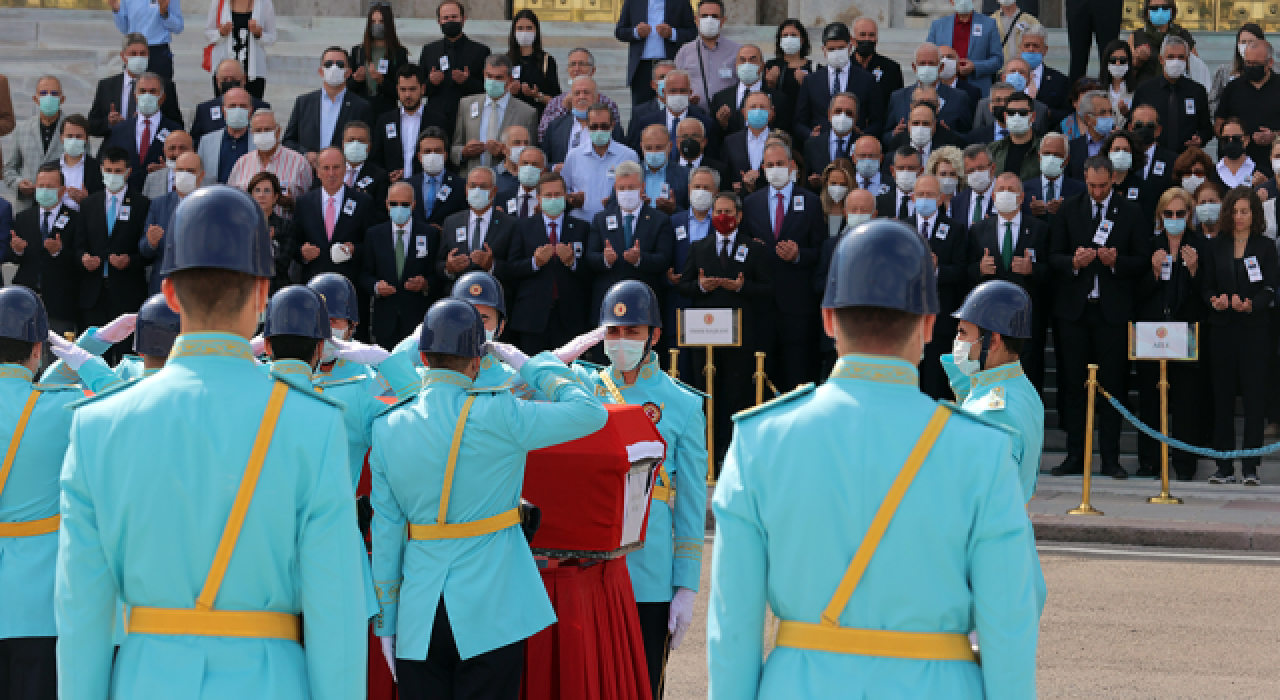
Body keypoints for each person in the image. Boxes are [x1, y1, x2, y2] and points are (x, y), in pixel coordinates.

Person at [56, 186, 370, 699]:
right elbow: (335, 611)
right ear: (264, 294)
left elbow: (81, 617)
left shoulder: (97, 425)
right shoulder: (312, 424)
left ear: (172, 293)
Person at [708, 218, 1039, 699]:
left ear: (827, 319)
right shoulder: (981, 448)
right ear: (928, 326)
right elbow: (1010, 624)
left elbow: (733, 630)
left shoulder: (760, 439)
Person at [370, 298, 606, 699]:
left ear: (423, 356)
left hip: (418, 613)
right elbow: (590, 412)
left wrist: (389, 623)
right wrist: (531, 364)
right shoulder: (502, 415)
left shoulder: (388, 426)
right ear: (477, 363)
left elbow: (387, 532)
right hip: (491, 608)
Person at [566, 281, 708, 698]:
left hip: (649, 573)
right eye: (613, 332)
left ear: (654, 336)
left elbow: (691, 502)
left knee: (644, 686)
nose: (622, 341)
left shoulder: (682, 404)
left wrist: (685, 585)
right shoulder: (580, 389)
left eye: (632, 332)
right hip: (587, 567)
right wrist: (567, 355)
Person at [0, 288, 85, 700]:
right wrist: (89, 351)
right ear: (39, 349)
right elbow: (119, 397)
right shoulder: (59, 408)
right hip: (38, 607)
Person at [1048, 155, 1149, 479]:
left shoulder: (1130, 212)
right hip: (1075, 313)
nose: (1097, 191)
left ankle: (1110, 458)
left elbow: (1142, 261)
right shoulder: (1068, 209)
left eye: (1103, 186)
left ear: (1113, 181)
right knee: (1074, 387)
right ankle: (1075, 455)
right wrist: (1073, 263)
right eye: (1092, 185)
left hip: (1113, 314)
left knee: (1113, 388)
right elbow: (1053, 257)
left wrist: (1117, 261)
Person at [1201, 187, 1278, 485]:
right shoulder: (1216, 246)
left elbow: (1270, 287)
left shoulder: (1265, 246)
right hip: (1222, 331)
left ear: (1254, 214)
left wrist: (1251, 305)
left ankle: (1250, 468)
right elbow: (1205, 287)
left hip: (1255, 331)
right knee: (1222, 398)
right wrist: (1216, 301)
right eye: (1234, 211)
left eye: (1245, 211)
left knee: (1254, 399)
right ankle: (1223, 466)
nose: (1239, 217)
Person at [942, 280, 1044, 500]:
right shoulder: (1021, 387)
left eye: (963, 332)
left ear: (993, 341)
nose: (957, 341)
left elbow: (979, 501)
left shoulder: (993, 413)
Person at [1133, 187, 1206, 481]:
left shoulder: (1199, 246)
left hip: (1186, 333)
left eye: (1180, 213)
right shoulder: (1148, 245)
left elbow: (1206, 294)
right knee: (1151, 400)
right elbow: (1135, 295)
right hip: (1152, 333)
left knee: (1187, 402)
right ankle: (1151, 461)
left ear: (1188, 215)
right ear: (1161, 216)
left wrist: (1195, 270)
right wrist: (1152, 272)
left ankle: (1185, 465)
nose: (1174, 219)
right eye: (1169, 214)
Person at [741, 142, 822, 390]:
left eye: (780, 164)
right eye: (770, 165)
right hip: (762, 307)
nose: (775, 169)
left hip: (797, 307)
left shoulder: (810, 201)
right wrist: (752, 251)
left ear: (792, 166)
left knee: (797, 375)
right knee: (762, 378)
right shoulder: (751, 203)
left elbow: (819, 251)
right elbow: (742, 250)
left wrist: (798, 255)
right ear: (763, 168)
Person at [967, 173, 1050, 390]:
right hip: (989, 318)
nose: (1005, 193)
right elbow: (965, 271)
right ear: (993, 196)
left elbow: (1053, 272)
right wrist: (979, 269)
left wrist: (1033, 269)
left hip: (1026, 318)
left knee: (1028, 375)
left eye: (1011, 189)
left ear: (1021, 197)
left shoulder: (1040, 229)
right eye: (1001, 189)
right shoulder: (978, 230)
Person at [505, 172, 592, 354]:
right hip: (532, 317)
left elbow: (591, 270)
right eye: (548, 195)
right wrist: (534, 262)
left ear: (566, 196)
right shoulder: (522, 227)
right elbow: (510, 269)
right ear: (539, 198)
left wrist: (572, 263)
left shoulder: (581, 228)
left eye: (557, 195)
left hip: (569, 317)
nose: (553, 199)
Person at [78, 146, 150, 357]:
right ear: (101, 170)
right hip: (94, 293)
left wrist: (129, 261)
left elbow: (146, 251)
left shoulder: (141, 204)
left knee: (124, 355)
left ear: (128, 172)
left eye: (118, 171)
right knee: (93, 355)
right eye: (109, 170)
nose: (113, 175)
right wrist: (84, 258)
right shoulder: (89, 204)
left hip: (126, 293)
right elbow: (79, 245)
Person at [585, 160, 675, 319]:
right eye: (622, 188)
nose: (626, 192)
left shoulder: (659, 220)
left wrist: (640, 259)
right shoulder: (600, 219)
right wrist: (604, 260)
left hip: (644, 303)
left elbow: (665, 258)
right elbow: (590, 256)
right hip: (608, 303)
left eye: (631, 188)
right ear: (615, 189)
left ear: (642, 188)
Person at [8, 163, 82, 339]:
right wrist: (16, 251)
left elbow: (80, 259)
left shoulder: (76, 219)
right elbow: (13, 257)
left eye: (50, 187)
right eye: (41, 186)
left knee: (57, 359)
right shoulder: (23, 217)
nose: (44, 190)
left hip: (60, 304)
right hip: (26, 302)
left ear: (62, 190)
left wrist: (59, 252)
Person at [910, 173, 965, 400]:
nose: (925, 198)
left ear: (941, 198)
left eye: (930, 194)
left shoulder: (955, 229)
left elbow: (961, 271)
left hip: (939, 323)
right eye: (920, 194)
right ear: (913, 198)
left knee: (935, 387)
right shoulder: (901, 227)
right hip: (908, 323)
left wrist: (935, 270)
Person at [361, 181, 434, 349]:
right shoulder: (374, 234)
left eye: (404, 204)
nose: (399, 208)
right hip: (385, 321)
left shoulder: (429, 234)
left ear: (414, 205)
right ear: (387, 205)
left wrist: (425, 284)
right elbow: (365, 274)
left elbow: (436, 275)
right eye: (394, 204)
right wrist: (377, 286)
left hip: (416, 322)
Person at [293, 148, 374, 297]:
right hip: (314, 288)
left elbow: (372, 246)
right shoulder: (303, 203)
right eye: (326, 168)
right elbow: (294, 243)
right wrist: (302, 253)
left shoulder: (363, 202)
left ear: (345, 170)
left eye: (336, 167)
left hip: (350, 288)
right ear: (318, 172)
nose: (331, 173)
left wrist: (354, 250)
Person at [283, 47, 376, 168]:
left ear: (348, 72)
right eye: (328, 64)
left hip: (344, 175)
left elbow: (370, 147)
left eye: (340, 64)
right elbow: (288, 141)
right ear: (321, 71)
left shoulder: (362, 106)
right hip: (309, 174)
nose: (334, 68)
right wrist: (306, 154)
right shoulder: (304, 102)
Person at [794, 22, 883, 146]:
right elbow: (799, 122)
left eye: (841, 48)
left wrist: (862, 135)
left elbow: (878, 121)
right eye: (831, 49)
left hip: (855, 149)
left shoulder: (867, 80)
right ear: (824, 50)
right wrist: (811, 135)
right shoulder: (811, 81)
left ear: (850, 47)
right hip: (821, 149)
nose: (836, 52)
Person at [451, 54, 539, 177]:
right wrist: (464, 152)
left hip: (507, 182)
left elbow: (532, 156)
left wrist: (506, 153)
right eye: (489, 76)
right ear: (484, 74)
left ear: (510, 80)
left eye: (498, 78)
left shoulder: (527, 113)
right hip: (472, 181)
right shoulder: (466, 104)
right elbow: (455, 146)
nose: (493, 81)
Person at [87, 34, 183, 138]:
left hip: (150, 147)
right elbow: (91, 126)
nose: (138, 58)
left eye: (143, 54)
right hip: (115, 148)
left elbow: (177, 127)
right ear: (123, 56)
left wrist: (153, 120)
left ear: (148, 55)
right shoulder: (106, 86)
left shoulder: (165, 86)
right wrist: (109, 123)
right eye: (133, 54)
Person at [438, 165, 517, 289]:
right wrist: (448, 268)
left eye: (483, 186)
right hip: (459, 296)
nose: (477, 190)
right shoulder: (451, 222)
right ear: (466, 189)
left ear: (494, 191)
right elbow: (438, 263)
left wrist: (492, 265)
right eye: (473, 186)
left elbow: (516, 268)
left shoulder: (510, 224)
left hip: (493, 296)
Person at [418, 1, 491, 135]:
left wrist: (467, 81)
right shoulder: (429, 50)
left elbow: (487, 88)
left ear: (463, 19)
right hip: (435, 119)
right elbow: (419, 89)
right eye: (446, 18)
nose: (450, 21)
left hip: (469, 118)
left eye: (454, 17)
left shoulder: (480, 51)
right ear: (439, 21)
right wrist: (431, 82)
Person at [104, 72, 181, 193]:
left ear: (162, 97)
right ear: (135, 96)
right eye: (143, 91)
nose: (147, 95)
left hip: (159, 195)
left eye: (152, 91)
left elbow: (184, 165)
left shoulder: (175, 131)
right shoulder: (119, 130)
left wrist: (169, 169)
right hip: (128, 199)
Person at [1130, 37, 1211, 153]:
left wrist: (1200, 139)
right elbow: (1133, 125)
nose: (1176, 61)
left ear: (1187, 60)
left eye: (1181, 57)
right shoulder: (1144, 90)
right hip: (1154, 157)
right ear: (1161, 59)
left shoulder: (1197, 91)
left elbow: (1206, 128)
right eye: (1171, 56)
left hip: (1186, 157)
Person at [561, 103, 639, 220]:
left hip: (616, 223)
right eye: (594, 126)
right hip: (582, 222)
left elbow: (636, 190)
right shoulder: (574, 156)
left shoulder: (629, 156)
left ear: (612, 125)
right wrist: (572, 199)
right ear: (587, 126)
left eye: (604, 126)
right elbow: (564, 189)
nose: (599, 130)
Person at [371, 65, 450, 181]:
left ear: (422, 89)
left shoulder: (438, 121)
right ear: (397, 89)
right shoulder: (385, 120)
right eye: (403, 89)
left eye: (412, 89)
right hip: (393, 190)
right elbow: (375, 159)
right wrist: (387, 176)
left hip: (427, 188)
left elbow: (446, 160)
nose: (407, 95)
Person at [1215, 41, 1280, 181]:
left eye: (1256, 64)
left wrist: (1274, 136)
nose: (1251, 67)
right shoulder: (1233, 88)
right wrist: (1233, 139)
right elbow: (1218, 124)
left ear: (1270, 63)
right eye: (1248, 63)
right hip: (1237, 168)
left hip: (1274, 166)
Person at [141, 150, 204, 294]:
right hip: (164, 287)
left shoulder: (211, 206)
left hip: (199, 288)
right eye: (180, 170)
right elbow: (144, 249)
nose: (184, 174)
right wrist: (151, 243)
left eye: (190, 171)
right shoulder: (159, 204)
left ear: (201, 176)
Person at [4, 75, 68, 213]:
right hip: (27, 207)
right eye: (43, 93)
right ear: (36, 99)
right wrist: (19, 184)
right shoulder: (22, 129)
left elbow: (83, 167)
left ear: (62, 99)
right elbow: (9, 169)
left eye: (54, 93)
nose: (48, 97)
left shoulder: (73, 130)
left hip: (63, 207)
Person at [883, 45, 974, 142]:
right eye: (922, 64)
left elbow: (969, 137)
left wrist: (950, 135)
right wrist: (894, 134)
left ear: (941, 67)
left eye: (931, 64)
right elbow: (885, 136)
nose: (927, 67)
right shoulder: (898, 97)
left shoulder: (959, 98)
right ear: (914, 67)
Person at [615, 0, 696, 108]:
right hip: (641, 68)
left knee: (672, 107)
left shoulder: (681, 1)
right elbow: (620, 31)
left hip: (670, 66)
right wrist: (636, 32)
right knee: (640, 111)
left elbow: (692, 31)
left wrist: (672, 33)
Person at [227, 109, 314, 201]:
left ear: (278, 131)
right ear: (252, 133)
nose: (263, 133)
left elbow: (308, 202)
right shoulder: (242, 163)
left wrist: (290, 202)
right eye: (258, 130)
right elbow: (231, 199)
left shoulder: (299, 163)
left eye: (267, 129)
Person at [536, 48, 621, 141]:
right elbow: (542, 135)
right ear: (567, 70)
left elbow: (616, 136)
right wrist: (564, 108)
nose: (577, 69)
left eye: (582, 64)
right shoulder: (556, 102)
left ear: (593, 70)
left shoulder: (607, 103)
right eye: (572, 64)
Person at [630, 69, 716, 158]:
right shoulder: (646, 123)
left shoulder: (706, 123)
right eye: (673, 90)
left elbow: (711, 158)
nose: (678, 95)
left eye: (682, 91)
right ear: (664, 92)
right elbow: (638, 155)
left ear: (690, 93)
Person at [542, 77, 625, 167]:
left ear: (596, 98)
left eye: (586, 92)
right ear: (571, 98)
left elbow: (621, 159)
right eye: (577, 93)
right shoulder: (555, 127)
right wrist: (554, 168)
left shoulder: (611, 128)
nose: (582, 97)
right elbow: (544, 163)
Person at [925, 0, 1003, 94]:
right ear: (951, 1)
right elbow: (928, 56)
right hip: (944, 87)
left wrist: (975, 67)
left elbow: (998, 60)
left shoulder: (989, 24)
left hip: (977, 89)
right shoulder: (938, 25)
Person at [671, 0, 739, 108]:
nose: (709, 20)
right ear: (696, 20)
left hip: (727, 118)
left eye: (714, 16)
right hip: (694, 117)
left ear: (722, 20)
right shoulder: (684, 52)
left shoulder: (737, 51)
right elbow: (674, 84)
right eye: (704, 16)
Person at [709, 44, 786, 140]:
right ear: (736, 66)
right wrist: (721, 125)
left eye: (752, 60)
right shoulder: (720, 98)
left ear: (762, 66)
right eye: (742, 60)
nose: (747, 64)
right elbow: (713, 136)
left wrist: (770, 121)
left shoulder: (778, 98)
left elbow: (784, 133)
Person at [204, 0, 275, 101]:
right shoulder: (219, 2)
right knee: (224, 108)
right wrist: (221, 33)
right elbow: (208, 32)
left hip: (254, 70)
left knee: (252, 108)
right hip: (225, 71)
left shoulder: (265, 2)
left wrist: (259, 34)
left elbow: (272, 37)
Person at [348, 3, 409, 117]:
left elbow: (401, 91)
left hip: (386, 111)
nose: (377, 25)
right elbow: (347, 87)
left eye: (381, 21)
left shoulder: (399, 53)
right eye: (373, 21)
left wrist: (382, 81)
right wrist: (356, 80)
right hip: (362, 111)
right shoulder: (358, 51)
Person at [191, 61, 271, 145]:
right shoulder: (205, 110)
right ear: (217, 81)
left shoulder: (261, 108)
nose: (229, 82)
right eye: (225, 79)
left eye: (233, 79)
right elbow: (195, 143)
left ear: (244, 79)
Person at [404, 127, 469, 229]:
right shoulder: (407, 185)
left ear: (446, 155)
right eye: (427, 151)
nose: (432, 155)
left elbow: (465, 219)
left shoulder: (460, 185)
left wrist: (446, 233)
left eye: (437, 151)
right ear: (419, 157)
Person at [327, 120, 390, 218]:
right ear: (343, 144)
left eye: (361, 141)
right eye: (351, 140)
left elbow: (381, 214)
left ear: (369, 146)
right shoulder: (329, 170)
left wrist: (363, 202)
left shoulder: (380, 176)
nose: (355, 145)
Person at [109, 0, 183, 84]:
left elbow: (178, 27)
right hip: (134, 51)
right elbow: (124, 28)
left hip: (158, 52)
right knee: (132, 90)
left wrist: (165, 13)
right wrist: (116, 10)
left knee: (161, 91)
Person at [1128, 0, 1196, 89]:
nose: (1160, 12)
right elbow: (1126, 73)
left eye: (1165, 8)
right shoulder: (1137, 36)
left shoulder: (1182, 35)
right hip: (1146, 91)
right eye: (1154, 8)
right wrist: (1137, 61)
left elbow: (1195, 68)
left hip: (1176, 91)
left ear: (1172, 10)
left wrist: (1180, 59)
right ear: (1147, 12)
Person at [763, 20, 813, 142]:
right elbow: (763, 95)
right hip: (778, 124)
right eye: (785, 35)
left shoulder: (814, 67)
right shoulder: (771, 65)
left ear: (802, 40)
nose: (789, 38)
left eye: (793, 35)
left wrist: (806, 85)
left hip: (804, 125)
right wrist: (770, 84)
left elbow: (818, 99)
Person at [506, 9, 561, 120]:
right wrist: (509, 92)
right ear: (514, 31)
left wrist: (537, 95)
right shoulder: (506, 60)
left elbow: (556, 100)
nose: (524, 32)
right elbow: (495, 96)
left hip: (539, 119)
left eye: (529, 28)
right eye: (520, 28)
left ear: (536, 31)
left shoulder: (547, 61)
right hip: (512, 119)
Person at [247, 171, 296, 293]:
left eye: (267, 191)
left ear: (275, 197)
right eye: (257, 190)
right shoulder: (241, 226)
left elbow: (282, 265)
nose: (261, 195)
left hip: (276, 290)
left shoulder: (285, 226)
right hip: (246, 291)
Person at [198, 87, 256, 185]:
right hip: (216, 197)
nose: (237, 110)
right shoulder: (206, 141)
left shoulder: (259, 142)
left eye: (243, 106)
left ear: (250, 111)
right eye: (232, 106)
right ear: (223, 110)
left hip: (247, 199)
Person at [1024, 132, 1083, 224]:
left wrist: (1065, 212)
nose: (1051, 159)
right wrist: (1031, 214)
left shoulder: (1081, 191)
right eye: (1047, 153)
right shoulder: (1024, 189)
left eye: (1057, 154)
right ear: (1039, 157)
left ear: (1066, 160)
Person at [849, 18, 903, 119]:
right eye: (862, 34)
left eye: (871, 35)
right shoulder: (844, 67)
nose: (867, 39)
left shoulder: (891, 68)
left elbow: (897, 104)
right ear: (853, 40)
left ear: (876, 40)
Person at [723, 91, 776, 193]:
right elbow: (726, 176)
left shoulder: (781, 139)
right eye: (753, 107)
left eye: (762, 107)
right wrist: (733, 187)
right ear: (744, 112)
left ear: (771, 112)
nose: (757, 111)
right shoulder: (730, 142)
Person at [803, 92, 859, 187]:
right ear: (829, 114)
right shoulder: (812, 145)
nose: (843, 116)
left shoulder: (863, 145)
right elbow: (806, 184)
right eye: (838, 111)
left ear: (856, 119)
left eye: (849, 113)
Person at [1018, 27, 1069, 125]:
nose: (1031, 49)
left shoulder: (1060, 80)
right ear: (1020, 48)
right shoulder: (1008, 77)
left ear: (1045, 50)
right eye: (1027, 45)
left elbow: (1067, 113)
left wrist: (1047, 114)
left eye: (1036, 46)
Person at [1209, 24, 1263, 117]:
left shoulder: (1273, 72)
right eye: (1243, 42)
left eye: (1251, 42)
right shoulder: (1224, 71)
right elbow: (1212, 101)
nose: (1247, 46)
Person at [1066, 0, 1122, 85]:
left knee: (1109, 56)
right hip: (1077, 3)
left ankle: (1111, 95)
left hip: (1108, 4)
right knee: (1077, 58)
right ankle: (1074, 96)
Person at [636, 124, 689, 214]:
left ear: (670, 146)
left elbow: (693, 214)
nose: (653, 152)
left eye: (659, 147)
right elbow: (615, 206)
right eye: (648, 148)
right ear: (641, 146)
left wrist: (674, 209)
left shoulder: (685, 175)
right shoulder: (631, 173)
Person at [57, 114, 104, 212]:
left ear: (86, 139)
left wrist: (87, 200)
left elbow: (104, 202)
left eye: (78, 137)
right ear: (61, 138)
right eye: (69, 136)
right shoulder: (49, 168)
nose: (73, 140)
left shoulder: (98, 168)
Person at [1065, 90, 1116, 180]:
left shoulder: (1118, 144)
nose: (1109, 117)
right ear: (1087, 118)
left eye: (1111, 112)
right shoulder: (1071, 148)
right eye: (1103, 113)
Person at [991, 91, 1042, 180]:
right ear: (1005, 116)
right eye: (1011, 112)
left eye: (1023, 112)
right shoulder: (993, 150)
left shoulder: (1044, 149)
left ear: (1033, 116)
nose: (1016, 116)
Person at [497, 143, 544, 219]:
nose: (529, 168)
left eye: (534, 164)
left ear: (543, 171)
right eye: (525, 163)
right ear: (517, 167)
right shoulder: (502, 198)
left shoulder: (549, 199)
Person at [142, 129, 192, 198]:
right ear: (164, 151)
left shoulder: (206, 181)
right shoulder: (152, 179)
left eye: (182, 148)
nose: (177, 153)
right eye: (172, 148)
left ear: (192, 151)